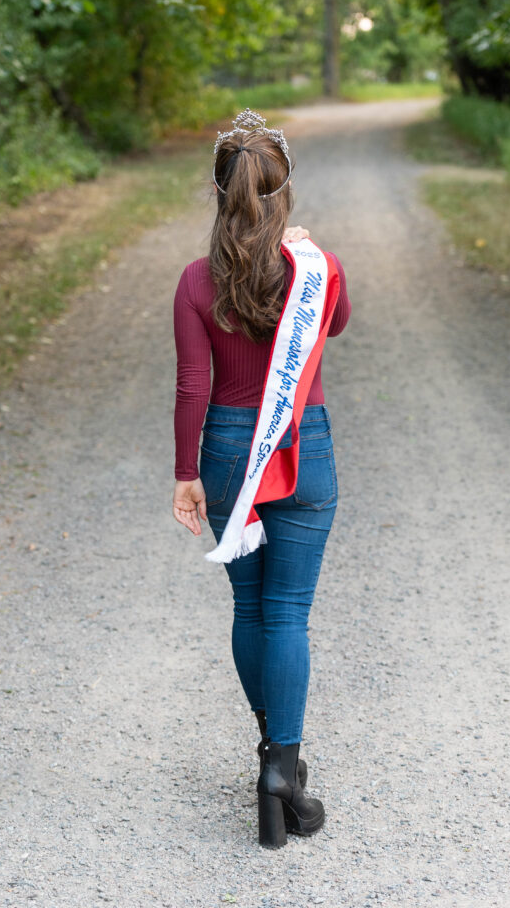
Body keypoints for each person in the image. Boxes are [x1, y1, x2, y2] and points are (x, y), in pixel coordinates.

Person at [172, 109, 351, 848]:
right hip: (301, 451)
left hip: (226, 450)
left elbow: (192, 385)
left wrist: (187, 474)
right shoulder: (316, 270)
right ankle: (283, 770)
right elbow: (335, 325)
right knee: (289, 613)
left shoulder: (193, 280)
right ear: (283, 193)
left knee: (252, 608)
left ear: (220, 193)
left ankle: (271, 756)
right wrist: (308, 258)